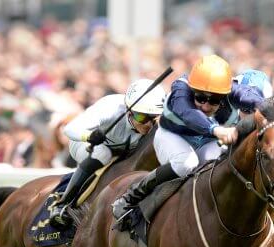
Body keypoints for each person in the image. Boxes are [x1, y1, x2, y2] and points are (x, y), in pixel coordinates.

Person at [112, 55, 264, 220]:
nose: (205, 105)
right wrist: (215, 129)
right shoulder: (181, 88)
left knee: (219, 167)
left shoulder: (233, 90)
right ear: (192, 89)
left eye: (214, 100)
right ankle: (133, 195)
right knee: (186, 164)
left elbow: (252, 98)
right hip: (172, 136)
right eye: (199, 97)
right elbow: (189, 113)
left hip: (207, 142)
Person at [48, 79, 166, 227]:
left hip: (121, 150)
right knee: (102, 153)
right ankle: (62, 204)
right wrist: (89, 136)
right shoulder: (110, 108)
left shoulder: (147, 117)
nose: (148, 124)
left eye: (153, 118)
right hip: (87, 144)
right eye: (141, 117)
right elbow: (69, 129)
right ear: (129, 110)